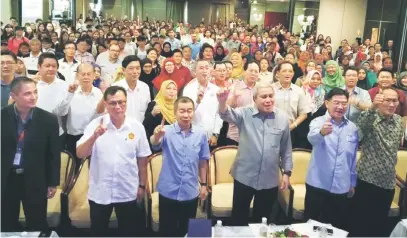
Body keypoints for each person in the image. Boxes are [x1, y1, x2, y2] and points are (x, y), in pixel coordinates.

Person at [77, 86, 151, 237]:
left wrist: (142, 185)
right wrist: (94, 137)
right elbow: (80, 154)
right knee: (98, 231)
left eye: (121, 102)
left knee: (128, 231)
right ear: (105, 104)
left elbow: (143, 159)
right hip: (100, 191)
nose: (118, 107)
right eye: (113, 103)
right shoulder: (95, 125)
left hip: (127, 189)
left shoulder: (136, 127)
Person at [217, 81, 292, 226]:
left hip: (269, 178)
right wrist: (222, 102)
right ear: (255, 99)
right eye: (264, 97)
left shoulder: (282, 118)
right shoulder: (245, 113)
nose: (268, 100)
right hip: (244, 176)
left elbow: (286, 148)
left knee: (263, 220)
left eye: (271, 96)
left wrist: (287, 173)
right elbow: (226, 114)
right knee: (238, 218)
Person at [1, 77, 60, 232]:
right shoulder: (2, 116)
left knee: (37, 222)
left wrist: (53, 182)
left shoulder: (48, 119)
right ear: (14, 96)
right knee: (6, 222)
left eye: (35, 92)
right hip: (7, 178)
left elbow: (53, 154)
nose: (33, 97)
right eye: (27, 93)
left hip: (35, 178)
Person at [150, 96, 209, 237]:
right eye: (182, 111)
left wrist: (204, 184)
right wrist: (156, 136)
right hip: (168, 190)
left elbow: (203, 161)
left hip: (190, 191)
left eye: (189, 111)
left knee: (187, 231)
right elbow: (154, 144)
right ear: (175, 113)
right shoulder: (166, 131)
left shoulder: (200, 134)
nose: (186, 115)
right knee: (166, 231)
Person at [350, 88, 404, 237]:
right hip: (367, 181)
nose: (391, 104)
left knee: (379, 226)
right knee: (360, 224)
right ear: (379, 100)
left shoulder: (399, 121)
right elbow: (362, 127)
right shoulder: (369, 118)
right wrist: (373, 106)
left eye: (395, 101)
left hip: (388, 183)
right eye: (387, 100)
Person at [305, 87, 358, 229]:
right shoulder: (317, 122)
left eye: (344, 103)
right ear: (327, 103)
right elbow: (312, 139)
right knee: (310, 227)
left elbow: (352, 158)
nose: (340, 107)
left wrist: (352, 182)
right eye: (336, 102)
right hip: (318, 184)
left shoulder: (352, 127)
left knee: (334, 228)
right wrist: (322, 133)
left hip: (341, 187)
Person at [66, 64, 103, 164]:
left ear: (94, 75)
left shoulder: (99, 93)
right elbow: (62, 112)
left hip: (93, 137)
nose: (86, 77)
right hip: (74, 137)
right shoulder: (70, 91)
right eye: (83, 74)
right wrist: (69, 94)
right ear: (77, 75)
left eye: (89, 74)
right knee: (74, 170)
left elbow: (101, 115)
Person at [183, 60, 223, 148]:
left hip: (211, 137)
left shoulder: (216, 89)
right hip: (192, 136)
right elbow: (186, 112)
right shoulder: (188, 89)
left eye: (207, 68)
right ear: (194, 72)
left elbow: (219, 113)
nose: (204, 71)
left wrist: (216, 134)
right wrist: (197, 101)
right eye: (201, 68)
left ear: (210, 71)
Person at [98, 56, 151, 123]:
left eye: (138, 68)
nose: (135, 72)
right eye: (131, 68)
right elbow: (102, 111)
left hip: (140, 128)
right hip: (121, 128)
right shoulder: (115, 87)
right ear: (123, 70)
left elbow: (147, 110)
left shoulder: (145, 87)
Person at [143, 80, 177, 149]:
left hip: (174, 145)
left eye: (174, 89)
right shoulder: (154, 104)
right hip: (157, 145)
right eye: (168, 88)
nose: (172, 91)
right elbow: (145, 125)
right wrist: (152, 114)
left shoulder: (178, 105)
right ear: (163, 89)